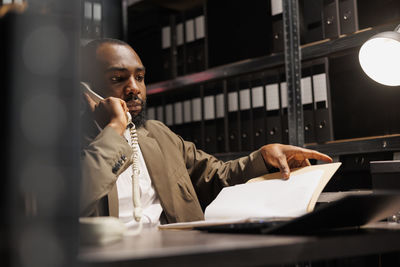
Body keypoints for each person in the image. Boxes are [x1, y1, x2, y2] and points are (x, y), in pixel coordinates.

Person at [80, 38, 332, 226]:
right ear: (86, 90)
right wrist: (114, 129)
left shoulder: (157, 134)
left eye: (140, 77)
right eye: (118, 79)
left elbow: (217, 176)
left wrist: (264, 158)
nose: (134, 88)